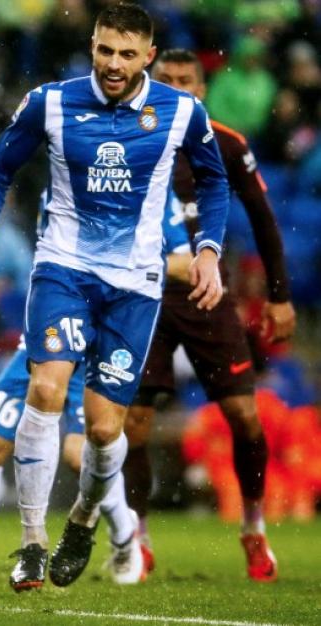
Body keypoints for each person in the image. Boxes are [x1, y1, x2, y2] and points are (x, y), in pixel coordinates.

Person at [0, 2, 228, 590]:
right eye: (104, 50)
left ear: (148, 57)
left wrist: (208, 250)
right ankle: (31, 541)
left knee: (107, 433)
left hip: (135, 285)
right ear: (92, 44)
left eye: (127, 54)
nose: (113, 63)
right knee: (46, 387)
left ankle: (82, 520)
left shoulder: (181, 110)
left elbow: (214, 181)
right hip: (64, 267)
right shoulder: (50, 102)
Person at [0, 198, 193, 588]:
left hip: (101, 334)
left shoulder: (152, 186)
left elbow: (187, 263)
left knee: (82, 454)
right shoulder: (60, 182)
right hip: (50, 331)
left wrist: (135, 262)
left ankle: (123, 536)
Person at [125, 48, 296, 583]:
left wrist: (279, 295)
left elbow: (264, 219)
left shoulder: (225, 143)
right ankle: (138, 540)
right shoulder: (129, 137)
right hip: (145, 294)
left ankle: (254, 528)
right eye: (166, 80)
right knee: (134, 425)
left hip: (207, 294)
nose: (176, 88)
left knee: (245, 415)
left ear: (201, 89)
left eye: (186, 81)